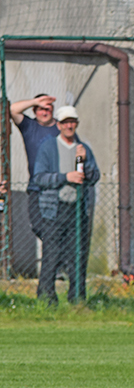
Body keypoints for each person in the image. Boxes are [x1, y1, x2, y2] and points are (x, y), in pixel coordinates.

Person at [33, 106, 100, 305]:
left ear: (76, 124)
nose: (69, 126)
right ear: (59, 125)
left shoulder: (83, 148)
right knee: (51, 255)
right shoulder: (48, 147)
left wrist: (85, 163)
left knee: (77, 256)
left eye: (72, 122)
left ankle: (77, 299)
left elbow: (94, 176)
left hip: (77, 210)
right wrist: (65, 177)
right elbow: (39, 178)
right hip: (54, 210)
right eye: (65, 122)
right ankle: (46, 299)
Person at [10, 94, 59, 239]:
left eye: (47, 109)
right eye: (40, 109)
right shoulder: (30, 127)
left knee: (59, 227)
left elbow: (78, 151)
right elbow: (13, 110)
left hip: (58, 186)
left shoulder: (61, 127)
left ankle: (54, 249)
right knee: (38, 226)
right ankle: (51, 247)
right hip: (36, 187)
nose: (44, 112)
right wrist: (36, 101)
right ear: (34, 111)